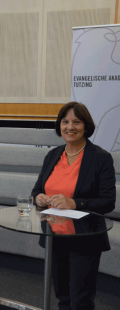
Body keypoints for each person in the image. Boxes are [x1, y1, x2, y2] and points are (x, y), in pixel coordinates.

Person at [31, 101, 115, 310]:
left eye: (76, 122)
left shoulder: (100, 158)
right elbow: (36, 191)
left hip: (84, 238)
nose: (70, 127)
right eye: (65, 122)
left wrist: (74, 203)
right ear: (59, 126)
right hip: (54, 236)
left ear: (86, 126)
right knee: (63, 297)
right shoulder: (53, 155)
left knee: (80, 301)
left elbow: (107, 202)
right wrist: (39, 198)